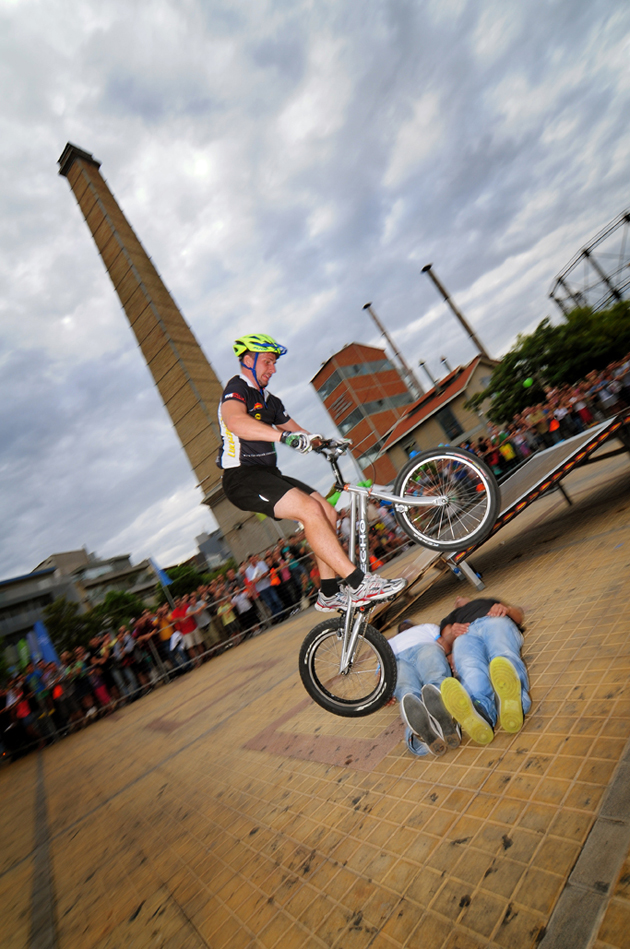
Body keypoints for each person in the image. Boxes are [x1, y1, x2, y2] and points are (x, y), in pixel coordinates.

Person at [218, 334, 406, 612]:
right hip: (241, 477)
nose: (273, 369)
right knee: (310, 510)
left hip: (269, 473)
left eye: (274, 363)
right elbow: (235, 421)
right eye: (267, 362)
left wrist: (326, 443)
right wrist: (283, 437)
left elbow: (300, 432)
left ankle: (328, 593)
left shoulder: (270, 401)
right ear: (248, 360)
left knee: (327, 512)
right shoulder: (237, 388)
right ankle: (358, 583)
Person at [439, 596, 531, 745]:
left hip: (494, 621)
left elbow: (518, 617)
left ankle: (517, 701)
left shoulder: (487, 601)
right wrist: (452, 632)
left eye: (462, 596)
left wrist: (506, 610)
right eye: (456, 599)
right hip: (465, 634)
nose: (458, 597)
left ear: (471, 599)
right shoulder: (451, 617)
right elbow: (446, 641)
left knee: (502, 656)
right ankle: (481, 712)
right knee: (469, 668)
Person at [389, 620, 460, 758]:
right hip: (425, 647)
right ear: (412, 626)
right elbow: (442, 642)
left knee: (407, 694)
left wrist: (385, 693)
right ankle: (448, 722)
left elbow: (382, 670)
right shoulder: (425, 627)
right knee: (435, 681)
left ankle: (419, 739)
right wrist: (449, 655)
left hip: (396, 660)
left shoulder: (389, 642)